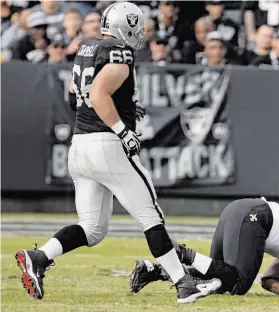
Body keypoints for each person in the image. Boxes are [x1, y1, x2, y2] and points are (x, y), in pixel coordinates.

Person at [14, 2, 221, 304]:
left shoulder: (86, 47)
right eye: (136, 27)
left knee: (92, 228)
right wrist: (123, 130)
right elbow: (98, 94)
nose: (140, 33)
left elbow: (75, 94)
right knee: (150, 215)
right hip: (107, 145)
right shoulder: (119, 52)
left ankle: (40, 257)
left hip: (80, 147)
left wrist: (121, 104)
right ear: (126, 27)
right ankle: (184, 283)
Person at [129, 157, 279, 296]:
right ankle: (181, 252)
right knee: (238, 284)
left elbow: (269, 280)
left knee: (218, 278)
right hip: (257, 217)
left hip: (243, 211)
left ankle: (155, 270)